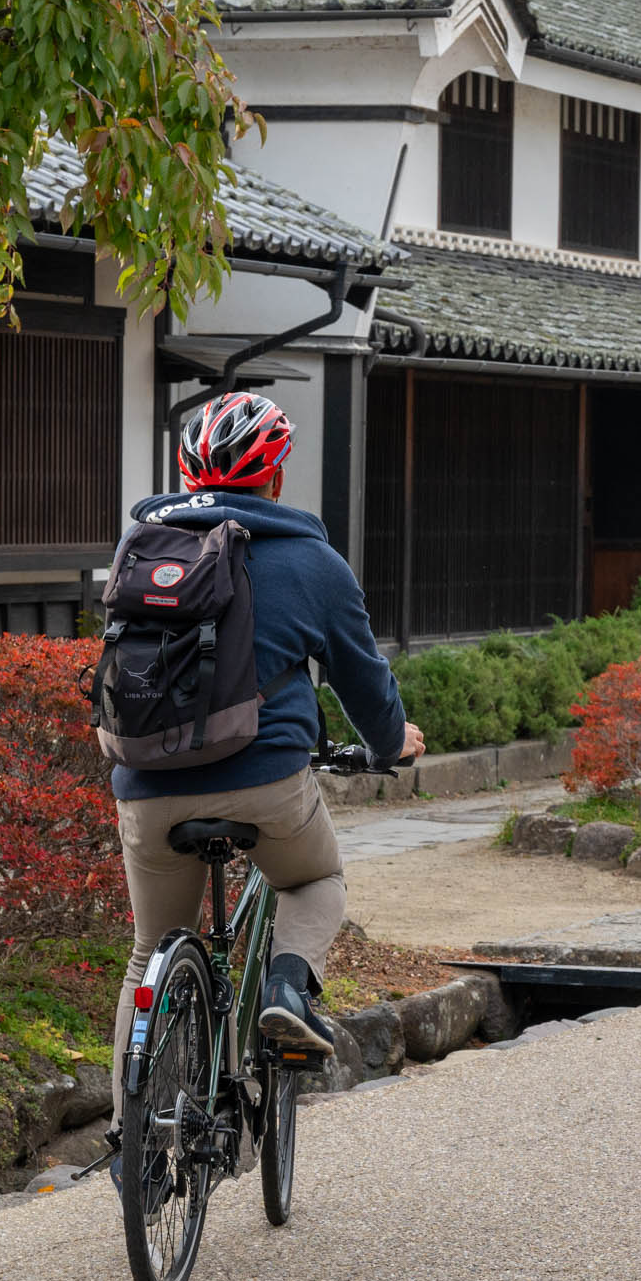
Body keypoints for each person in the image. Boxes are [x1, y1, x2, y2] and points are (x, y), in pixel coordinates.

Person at [108, 392, 422, 1074]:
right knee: (316, 880)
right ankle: (284, 989)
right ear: (276, 478)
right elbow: (365, 684)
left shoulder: (139, 548)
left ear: (189, 476)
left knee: (149, 948)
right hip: (265, 782)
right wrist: (391, 743)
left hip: (146, 785)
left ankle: (134, 1144)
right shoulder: (314, 564)